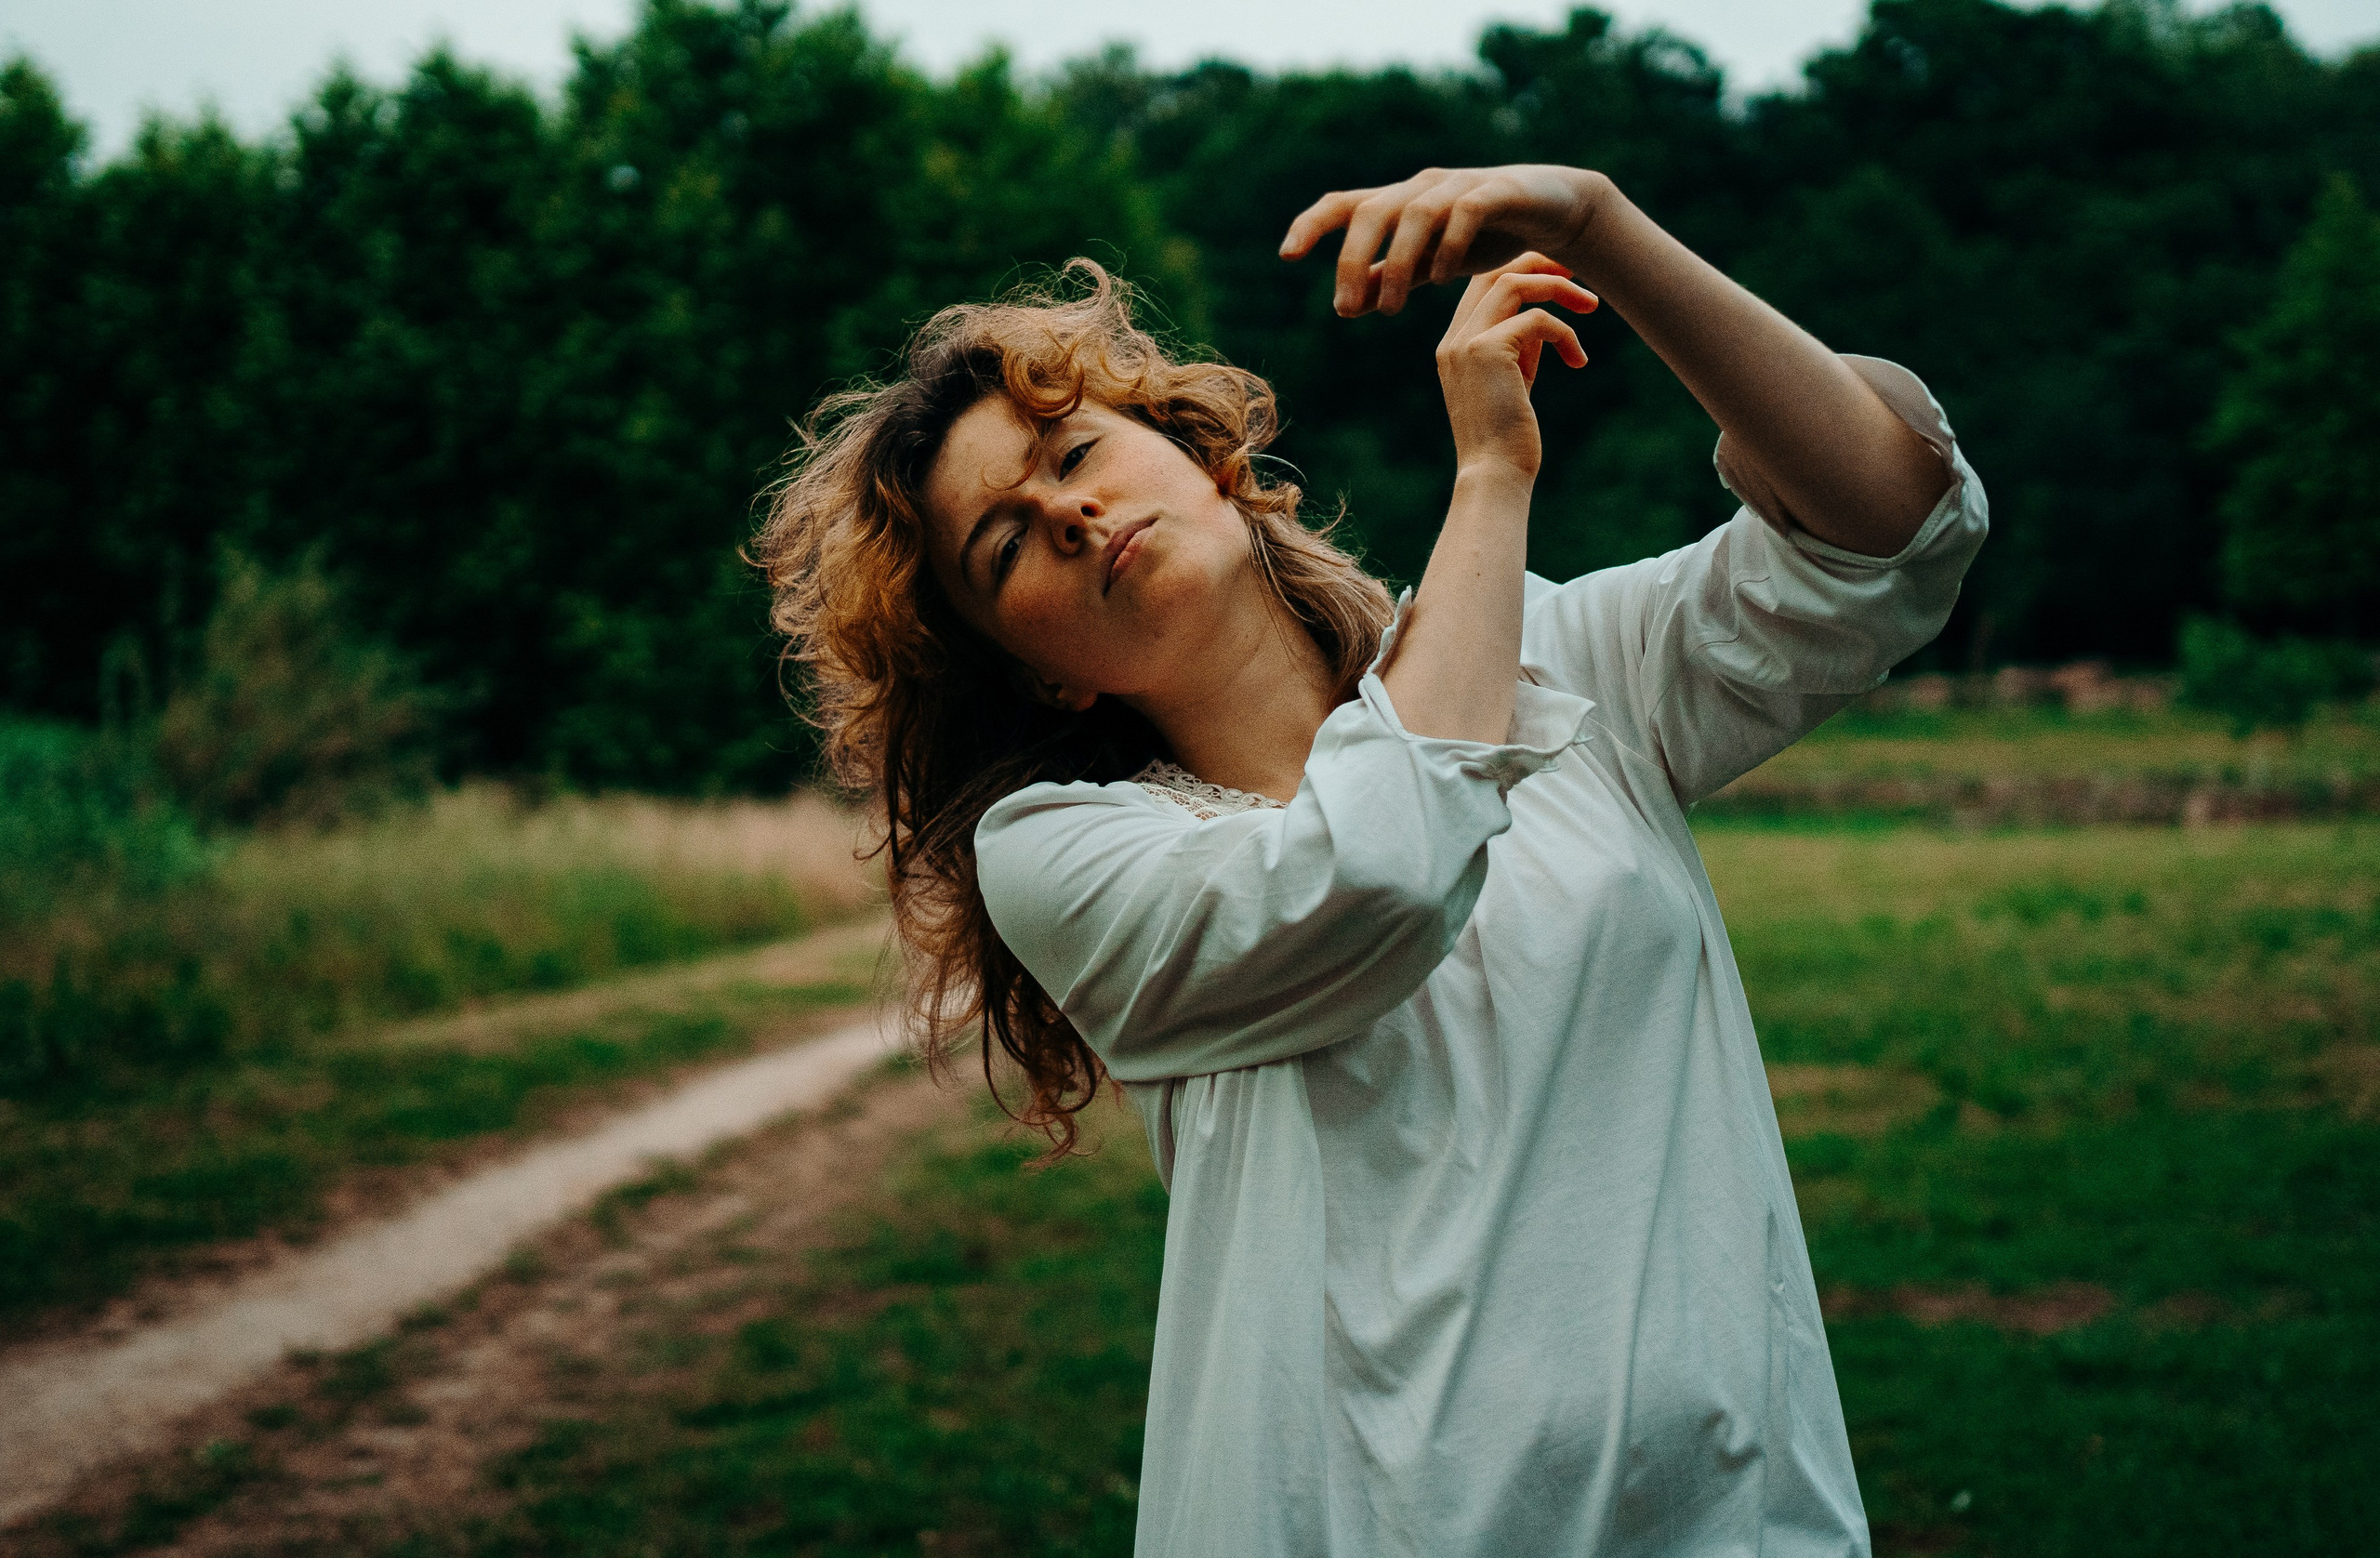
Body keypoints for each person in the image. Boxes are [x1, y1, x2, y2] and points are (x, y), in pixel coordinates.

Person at [752, 164, 1986, 1556]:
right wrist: (1492, 473)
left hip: (1720, 1521)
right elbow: (1384, 867)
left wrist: (1600, 228)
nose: (1072, 517)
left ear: (1207, 459)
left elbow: (1892, 532)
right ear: (1035, 677)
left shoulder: (1568, 670)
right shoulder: (1061, 854)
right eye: (1006, 545)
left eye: (1076, 457)